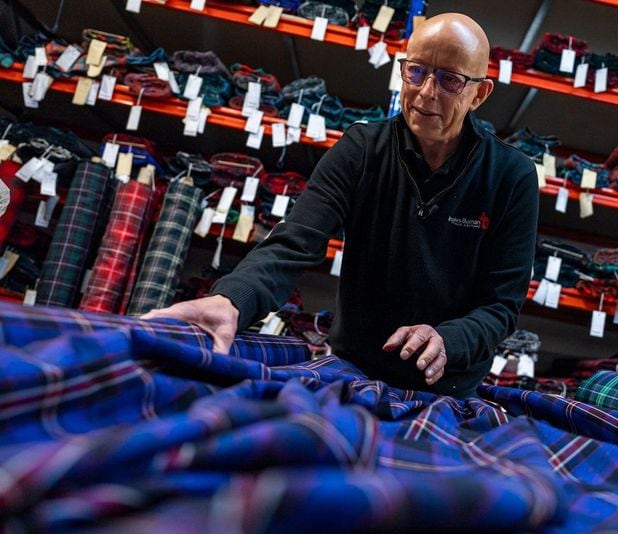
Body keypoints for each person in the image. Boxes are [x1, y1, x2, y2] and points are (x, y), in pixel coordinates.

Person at [143, 12, 539, 398]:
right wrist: (231, 300)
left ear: (479, 94)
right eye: (416, 71)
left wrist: (449, 339)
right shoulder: (362, 149)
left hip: (450, 386)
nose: (426, 92)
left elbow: (501, 304)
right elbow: (295, 242)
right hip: (355, 370)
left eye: (450, 80)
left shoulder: (511, 176)